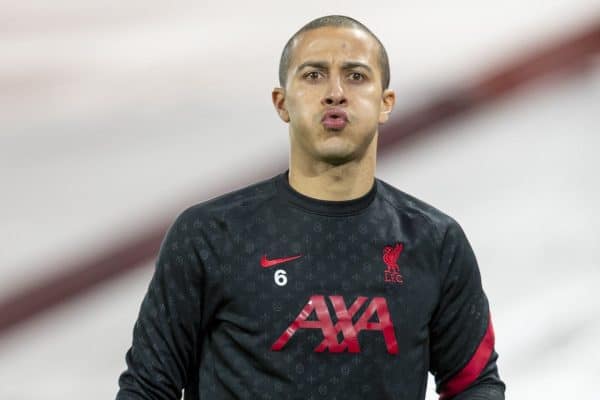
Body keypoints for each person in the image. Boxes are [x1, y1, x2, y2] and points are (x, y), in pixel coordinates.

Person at [116, 15, 505, 399]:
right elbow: (148, 388)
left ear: (386, 103)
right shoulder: (210, 235)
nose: (335, 92)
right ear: (281, 103)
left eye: (356, 76)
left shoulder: (436, 242)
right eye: (314, 75)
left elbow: (475, 384)